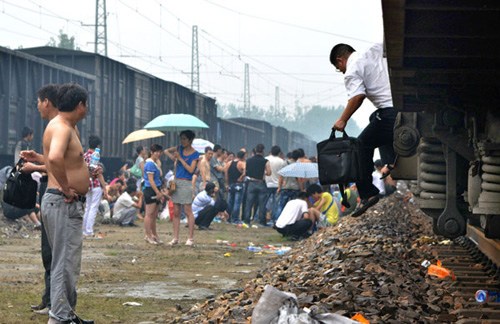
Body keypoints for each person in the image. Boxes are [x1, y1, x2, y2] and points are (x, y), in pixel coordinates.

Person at [41, 83, 93, 323]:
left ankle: (65, 314)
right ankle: (59, 317)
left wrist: (86, 170)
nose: (87, 110)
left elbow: (61, 159)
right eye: (86, 105)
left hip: (60, 203)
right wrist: (65, 187)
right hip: (63, 202)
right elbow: (55, 157)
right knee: (65, 262)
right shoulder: (63, 127)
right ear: (80, 105)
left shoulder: (63, 126)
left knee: (67, 261)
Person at [330, 42, 397, 217]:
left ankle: (368, 193)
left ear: (340, 60)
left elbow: (357, 96)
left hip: (390, 111)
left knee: (360, 145)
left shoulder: (351, 69)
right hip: (398, 108)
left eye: (339, 68)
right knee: (375, 120)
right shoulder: (372, 51)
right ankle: (391, 160)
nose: (342, 71)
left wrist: (342, 120)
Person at [18, 84, 60, 315]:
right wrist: (38, 158)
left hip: (54, 190)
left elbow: (59, 165)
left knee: (52, 249)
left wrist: (35, 165)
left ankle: (54, 302)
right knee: (47, 249)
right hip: (48, 188)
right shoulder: (54, 127)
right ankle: (49, 297)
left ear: (46, 102)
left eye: (38, 101)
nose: (37, 106)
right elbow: (54, 161)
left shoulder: (57, 127)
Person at [164, 130, 199, 246]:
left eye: (184, 139)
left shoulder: (195, 154)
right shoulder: (179, 149)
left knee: (188, 211)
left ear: (190, 140)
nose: (182, 141)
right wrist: (175, 156)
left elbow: (190, 170)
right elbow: (166, 151)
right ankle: (175, 238)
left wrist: (180, 159)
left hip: (186, 182)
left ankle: (190, 238)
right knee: (176, 212)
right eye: (181, 138)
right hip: (176, 181)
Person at [82, 135, 108, 238]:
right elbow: (98, 173)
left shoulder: (84, 155)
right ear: (97, 146)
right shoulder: (95, 155)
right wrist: (104, 187)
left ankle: (84, 230)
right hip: (96, 184)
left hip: (86, 184)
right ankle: (89, 231)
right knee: (93, 208)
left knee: (87, 207)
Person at [243, 144, 272, 227]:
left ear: (255, 151)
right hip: (261, 183)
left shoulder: (248, 160)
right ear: (263, 151)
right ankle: (262, 221)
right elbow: (269, 173)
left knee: (249, 203)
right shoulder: (265, 161)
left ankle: (246, 220)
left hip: (251, 183)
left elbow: (245, 172)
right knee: (262, 203)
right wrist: (263, 172)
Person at [142, 144, 165, 245]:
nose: (158, 154)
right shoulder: (150, 164)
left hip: (157, 188)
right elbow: (151, 180)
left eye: (160, 152)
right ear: (152, 152)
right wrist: (158, 192)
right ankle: (148, 235)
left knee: (154, 215)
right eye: (157, 152)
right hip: (151, 189)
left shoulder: (155, 163)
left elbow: (159, 175)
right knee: (149, 214)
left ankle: (154, 235)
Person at [265, 145, 286, 223]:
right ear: (279, 152)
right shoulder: (282, 161)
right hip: (277, 185)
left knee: (264, 202)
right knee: (275, 203)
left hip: (266, 184)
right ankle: (273, 219)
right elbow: (282, 174)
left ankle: (262, 217)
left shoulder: (266, 159)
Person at [225, 150, 246, 224]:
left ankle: (228, 218)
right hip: (238, 185)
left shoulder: (229, 163)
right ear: (243, 157)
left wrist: (227, 184)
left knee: (230, 202)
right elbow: (246, 171)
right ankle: (235, 218)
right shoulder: (242, 163)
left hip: (231, 184)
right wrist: (241, 177)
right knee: (237, 202)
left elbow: (226, 174)